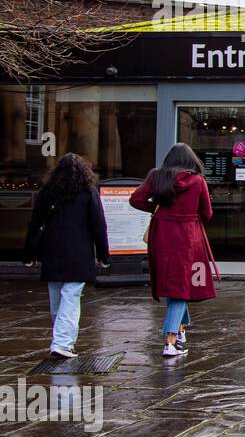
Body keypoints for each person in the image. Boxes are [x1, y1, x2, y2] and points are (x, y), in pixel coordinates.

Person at [129, 143, 218, 358]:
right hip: (188, 237)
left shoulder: (156, 177)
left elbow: (136, 199)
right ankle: (170, 342)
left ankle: (180, 328)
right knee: (180, 287)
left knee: (172, 281)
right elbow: (206, 213)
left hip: (161, 234)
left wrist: (158, 210)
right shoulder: (197, 181)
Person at [23, 154, 110, 359]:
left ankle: (59, 339)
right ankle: (62, 342)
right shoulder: (88, 192)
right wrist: (103, 255)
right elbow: (98, 226)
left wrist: (29, 253)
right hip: (78, 252)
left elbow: (35, 224)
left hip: (52, 250)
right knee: (70, 299)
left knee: (57, 299)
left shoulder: (47, 192)